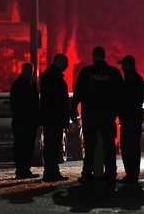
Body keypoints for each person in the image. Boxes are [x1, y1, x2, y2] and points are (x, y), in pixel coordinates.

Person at [70, 46, 123, 184]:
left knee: (90, 146)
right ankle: (111, 174)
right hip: (107, 116)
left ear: (93, 56)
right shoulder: (113, 73)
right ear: (104, 56)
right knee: (109, 146)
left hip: (90, 115)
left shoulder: (87, 72)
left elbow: (78, 93)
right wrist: (118, 112)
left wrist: (73, 110)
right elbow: (121, 95)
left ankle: (87, 173)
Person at [40, 53, 70, 182]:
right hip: (54, 117)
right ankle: (51, 172)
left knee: (52, 146)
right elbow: (57, 99)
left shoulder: (49, 75)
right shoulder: (54, 77)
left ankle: (51, 171)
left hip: (51, 117)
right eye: (65, 62)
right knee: (53, 146)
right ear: (59, 62)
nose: (67, 65)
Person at [117, 55, 144, 184]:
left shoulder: (131, 79)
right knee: (132, 146)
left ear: (129, 64)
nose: (122, 67)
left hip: (130, 117)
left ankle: (131, 175)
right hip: (133, 117)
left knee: (129, 146)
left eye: (123, 64)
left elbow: (127, 99)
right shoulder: (136, 78)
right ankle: (132, 174)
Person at [10, 62, 40, 179]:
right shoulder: (25, 85)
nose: (30, 73)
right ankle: (22, 170)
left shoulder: (22, 84)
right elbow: (17, 105)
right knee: (23, 146)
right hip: (23, 122)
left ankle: (24, 169)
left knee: (26, 146)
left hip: (25, 121)